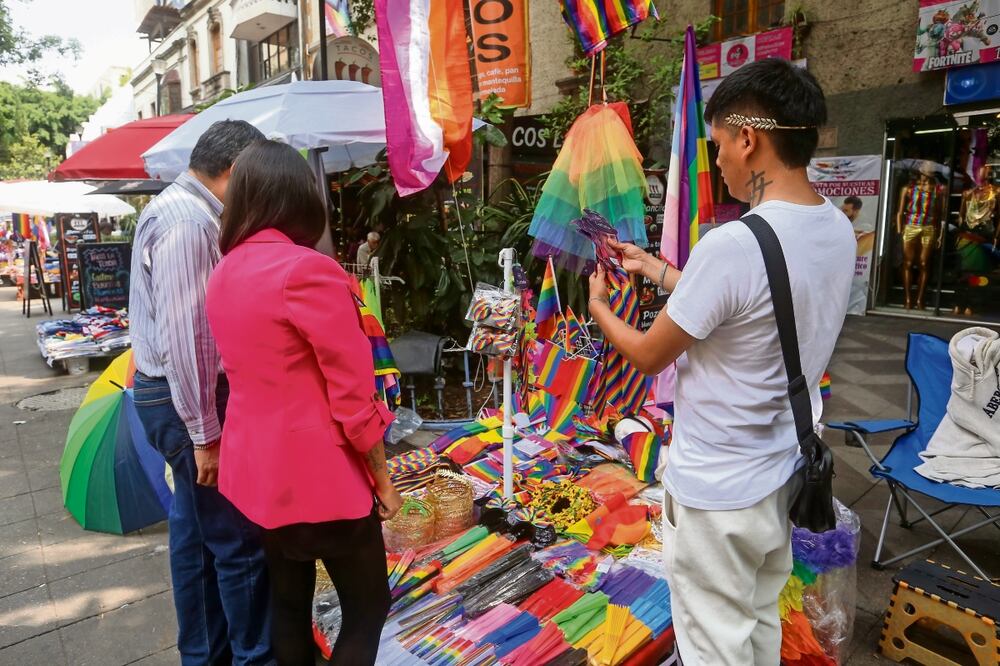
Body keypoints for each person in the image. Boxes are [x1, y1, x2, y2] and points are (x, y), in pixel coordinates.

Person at [587, 59, 855, 665]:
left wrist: (599, 305)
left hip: (719, 490)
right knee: (757, 621)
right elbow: (755, 303)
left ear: (748, 140)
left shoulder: (734, 243)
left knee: (714, 644)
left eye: (718, 145)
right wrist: (656, 269)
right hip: (780, 471)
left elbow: (649, 353)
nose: (718, 160)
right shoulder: (834, 228)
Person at [206, 140, 402, 666]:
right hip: (319, 473)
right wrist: (382, 478)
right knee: (368, 606)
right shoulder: (307, 270)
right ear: (300, 197)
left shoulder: (225, 270)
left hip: (260, 472)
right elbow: (353, 394)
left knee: (289, 600)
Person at [129, 119, 273, 666]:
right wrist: (205, 435)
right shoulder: (189, 223)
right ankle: (253, 656)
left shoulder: (179, 210)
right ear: (234, 171)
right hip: (189, 399)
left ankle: (206, 655)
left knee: (196, 534)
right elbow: (189, 341)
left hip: (174, 397)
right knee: (237, 541)